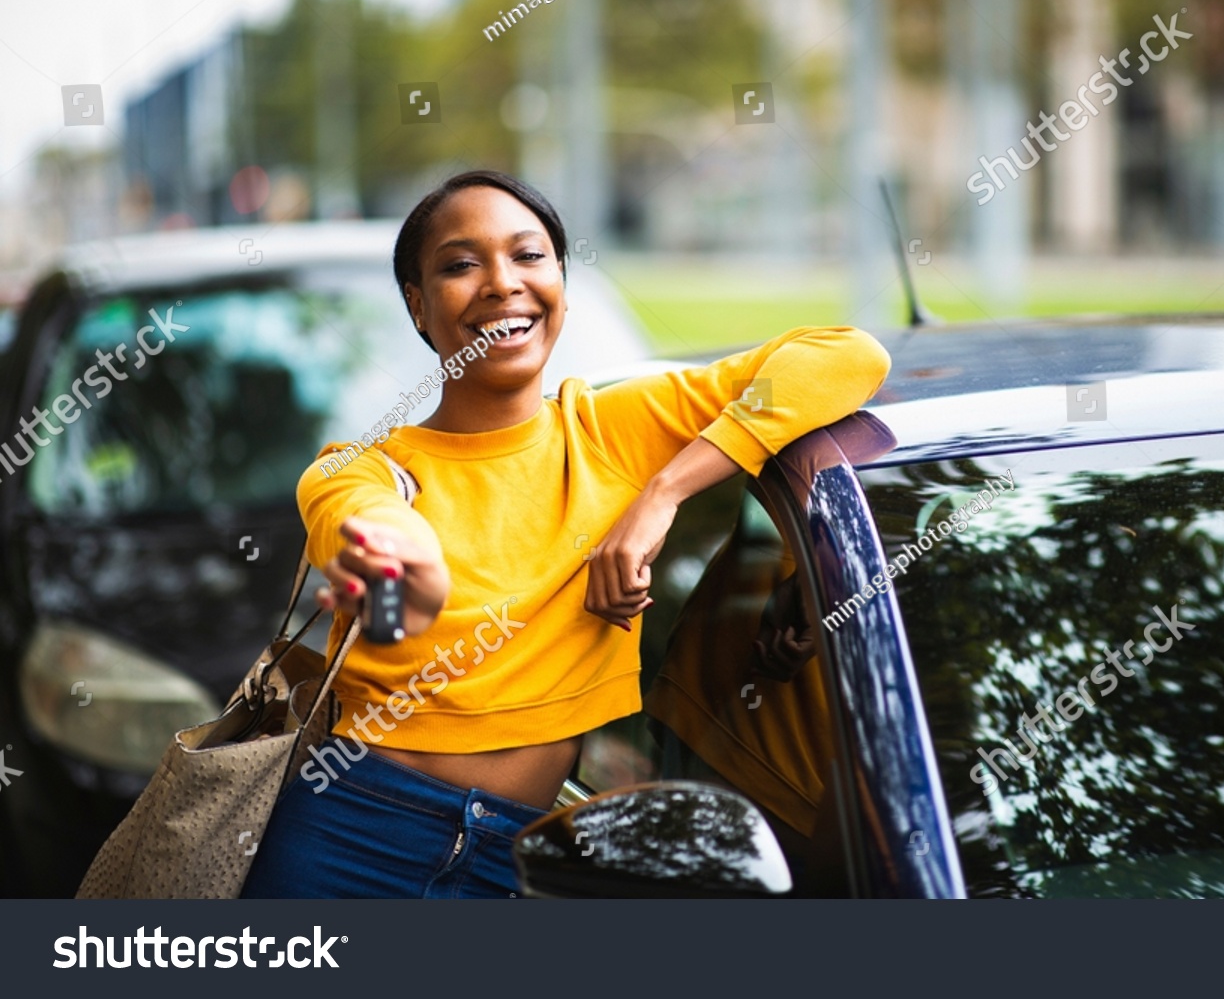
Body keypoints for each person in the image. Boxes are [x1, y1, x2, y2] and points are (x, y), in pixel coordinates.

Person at [241, 170, 890, 898]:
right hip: (351, 835)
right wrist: (402, 582)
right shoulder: (356, 470)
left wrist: (663, 493)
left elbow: (848, 356)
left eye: (529, 255)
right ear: (419, 307)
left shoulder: (611, 429)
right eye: (460, 264)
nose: (500, 283)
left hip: (531, 857)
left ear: (561, 284)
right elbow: (383, 551)